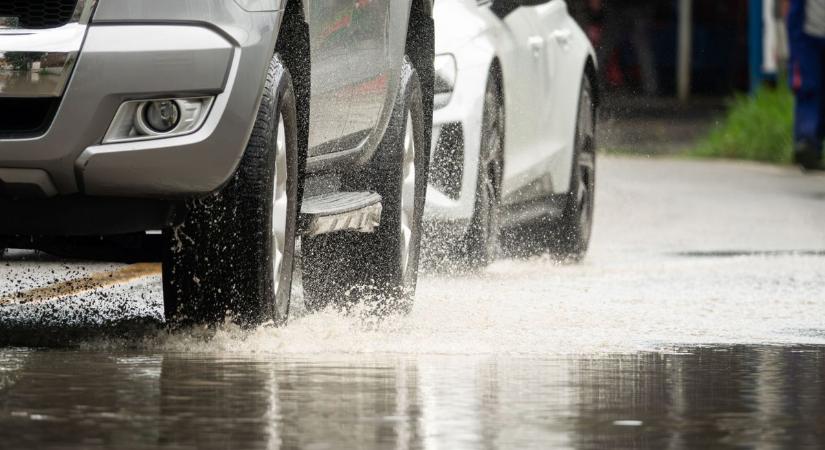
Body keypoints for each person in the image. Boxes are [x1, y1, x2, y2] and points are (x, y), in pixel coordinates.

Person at [588, 0, 659, 96]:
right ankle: (651, 87)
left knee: (606, 47)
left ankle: (593, 84)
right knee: (641, 48)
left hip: (627, 7)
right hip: (627, 7)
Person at [788, 0, 825, 170]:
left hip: (807, 33)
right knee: (808, 88)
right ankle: (807, 142)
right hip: (807, 37)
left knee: (810, 90)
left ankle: (809, 142)